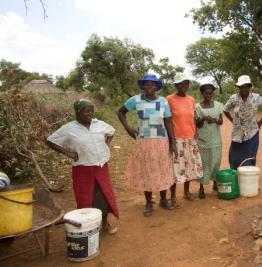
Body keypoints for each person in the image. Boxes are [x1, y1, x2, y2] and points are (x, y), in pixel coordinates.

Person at [46, 98, 119, 234]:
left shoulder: (99, 124)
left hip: (101, 167)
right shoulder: (69, 128)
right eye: (86, 111)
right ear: (78, 112)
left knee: (103, 196)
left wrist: (106, 144)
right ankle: (90, 227)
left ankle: (104, 224)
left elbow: (112, 131)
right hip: (82, 169)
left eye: (91, 111)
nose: (90, 113)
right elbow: (50, 141)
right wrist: (68, 153)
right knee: (86, 198)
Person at [118, 74, 176, 217]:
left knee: (163, 170)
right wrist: (128, 128)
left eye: (152, 84)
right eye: (147, 84)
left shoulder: (163, 101)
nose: (149, 87)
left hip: (161, 141)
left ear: (156, 86)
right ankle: (149, 203)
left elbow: (168, 122)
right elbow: (120, 112)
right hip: (144, 142)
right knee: (146, 171)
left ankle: (163, 199)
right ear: (143, 86)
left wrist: (172, 141)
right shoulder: (135, 100)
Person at [167, 73, 203, 205]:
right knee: (175, 168)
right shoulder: (169, 99)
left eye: (186, 83)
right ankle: (172, 197)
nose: (184, 86)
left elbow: (192, 117)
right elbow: (168, 120)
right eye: (181, 84)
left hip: (190, 138)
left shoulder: (191, 100)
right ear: (176, 85)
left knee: (189, 167)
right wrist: (171, 139)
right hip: (176, 139)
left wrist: (196, 132)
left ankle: (186, 192)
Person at [223, 75, 262, 169]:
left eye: (246, 86)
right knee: (234, 158)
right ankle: (236, 177)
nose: (244, 89)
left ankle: (248, 179)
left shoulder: (256, 98)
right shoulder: (234, 98)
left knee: (249, 158)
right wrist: (232, 120)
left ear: (249, 87)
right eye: (241, 86)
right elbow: (225, 110)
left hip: (252, 134)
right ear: (238, 87)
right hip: (237, 134)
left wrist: (261, 121)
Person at [195, 81, 223, 198]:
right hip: (203, 141)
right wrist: (203, 118)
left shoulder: (218, 105)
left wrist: (215, 120)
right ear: (202, 93)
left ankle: (215, 183)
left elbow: (221, 121)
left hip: (216, 140)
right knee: (203, 164)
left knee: (216, 162)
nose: (208, 96)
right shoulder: (197, 107)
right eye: (206, 93)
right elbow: (197, 124)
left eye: (210, 94)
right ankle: (201, 188)